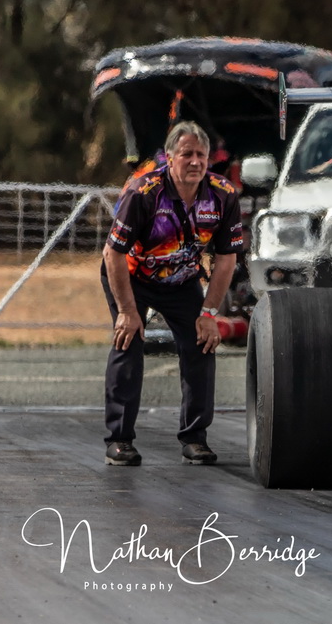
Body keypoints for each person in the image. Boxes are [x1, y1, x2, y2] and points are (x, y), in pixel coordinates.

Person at [102, 120, 243, 467]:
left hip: (181, 281)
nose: (195, 161)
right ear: (169, 157)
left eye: (201, 155)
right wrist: (127, 311)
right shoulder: (143, 193)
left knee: (201, 344)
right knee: (128, 343)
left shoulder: (223, 195)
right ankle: (119, 440)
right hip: (132, 277)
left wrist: (209, 313)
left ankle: (195, 439)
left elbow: (226, 258)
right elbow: (112, 254)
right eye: (186, 154)